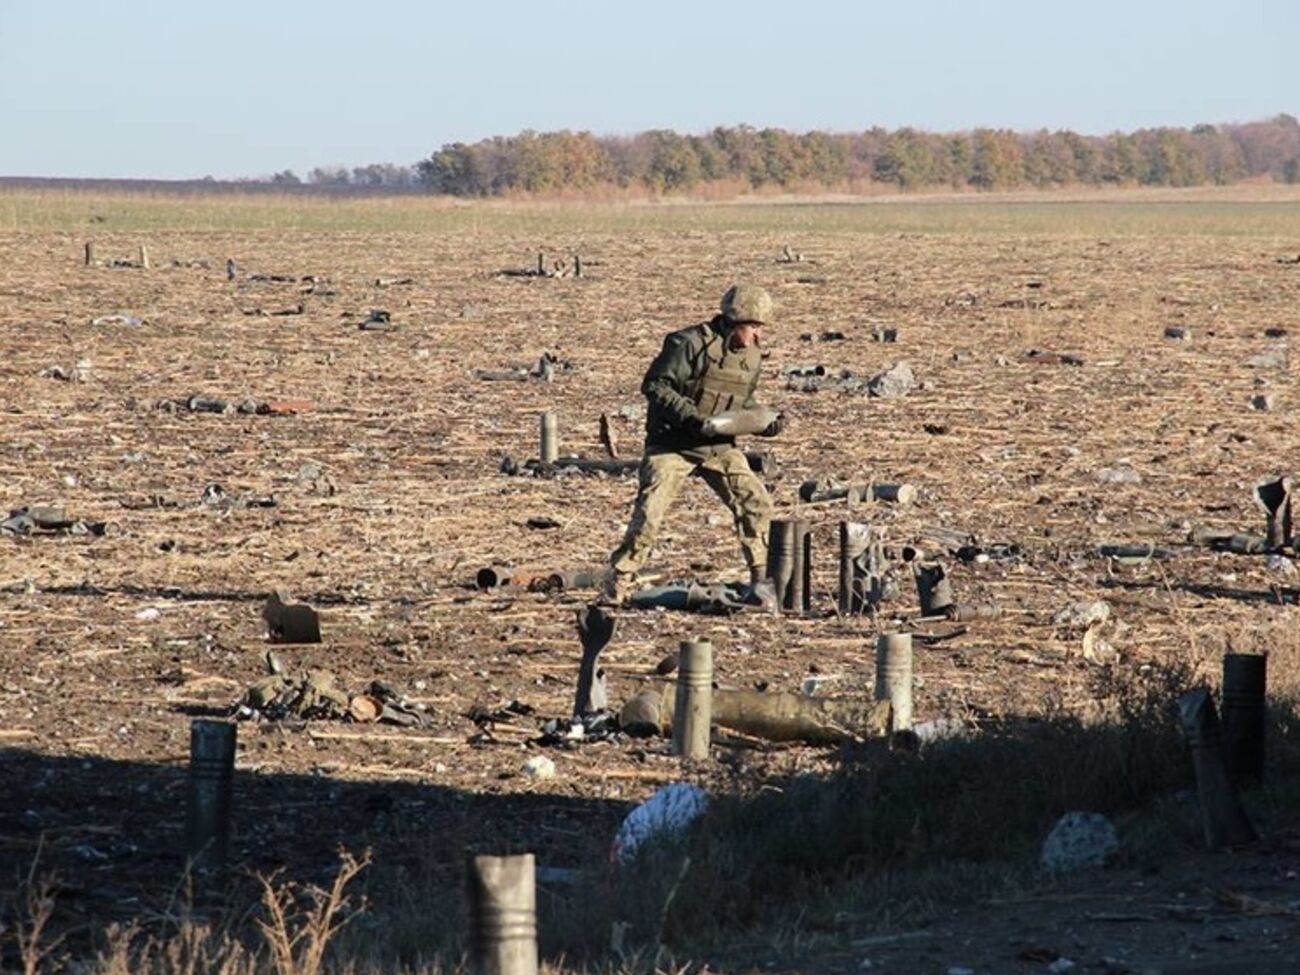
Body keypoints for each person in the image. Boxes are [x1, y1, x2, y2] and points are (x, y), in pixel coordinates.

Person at [605, 284, 783, 604]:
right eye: (754, 327)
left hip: (718, 447)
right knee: (649, 515)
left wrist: (764, 422)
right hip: (672, 444)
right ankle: (618, 581)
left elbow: (742, 402)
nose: (759, 335)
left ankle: (761, 582)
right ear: (734, 321)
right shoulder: (689, 344)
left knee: (756, 503)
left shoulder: (752, 357)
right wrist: (691, 418)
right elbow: (656, 385)